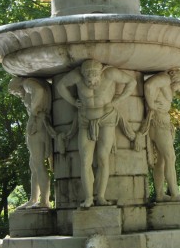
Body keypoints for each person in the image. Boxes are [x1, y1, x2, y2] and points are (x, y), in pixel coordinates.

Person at [55, 59, 136, 208]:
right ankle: (88, 198)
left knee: (103, 158)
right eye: (88, 81)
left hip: (107, 119)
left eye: (94, 80)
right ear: (83, 75)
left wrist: (119, 99)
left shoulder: (110, 74)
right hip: (85, 120)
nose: (91, 83)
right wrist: (73, 101)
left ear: (100, 74)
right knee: (85, 160)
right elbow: (60, 85)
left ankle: (100, 196)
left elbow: (132, 81)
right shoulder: (77, 76)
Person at [8, 77, 57, 208]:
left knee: (38, 164)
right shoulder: (41, 83)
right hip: (39, 124)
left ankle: (44, 201)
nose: (19, 95)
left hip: (36, 125)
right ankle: (34, 198)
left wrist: (34, 110)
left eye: (16, 93)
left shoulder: (27, 83)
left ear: (16, 87)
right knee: (34, 164)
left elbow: (39, 90)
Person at [143, 69, 180, 202]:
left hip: (161, 123)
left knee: (162, 161)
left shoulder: (166, 83)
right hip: (159, 124)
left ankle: (159, 195)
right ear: (178, 79)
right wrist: (151, 104)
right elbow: (148, 85)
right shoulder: (165, 79)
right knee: (170, 157)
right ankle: (174, 194)